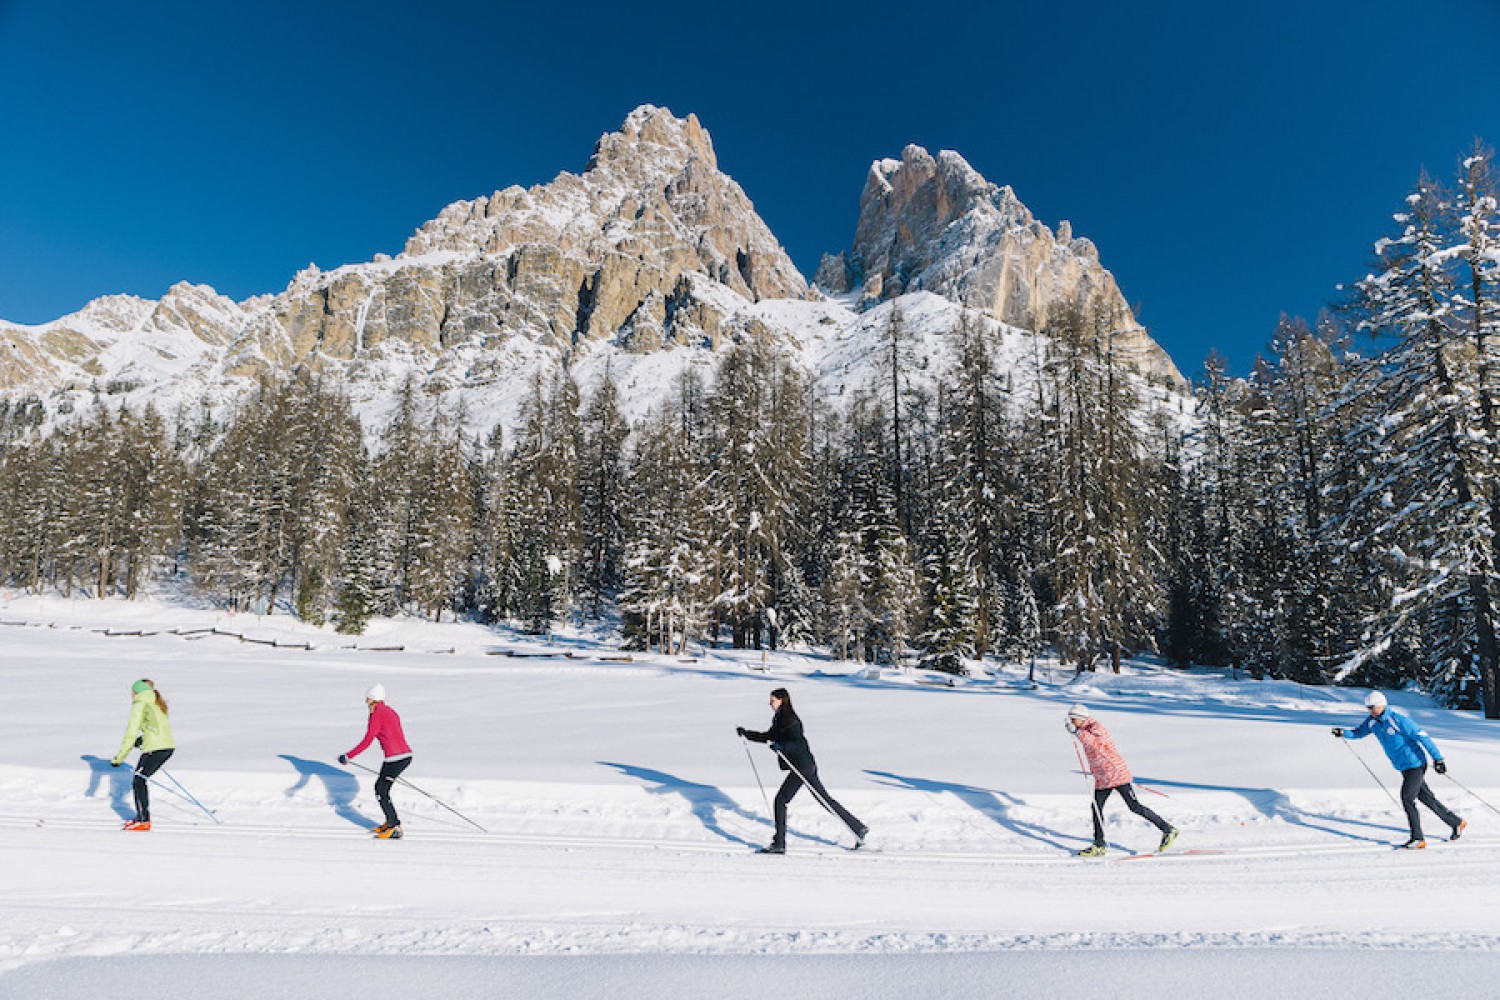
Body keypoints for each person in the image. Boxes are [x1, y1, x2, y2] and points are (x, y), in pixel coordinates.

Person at [737, 687, 868, 854]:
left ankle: (779, 843)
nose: (770, 703)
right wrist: (747, 734)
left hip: (801, 766)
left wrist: (782, 746)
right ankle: (858, 828)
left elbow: (798, 743)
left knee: (781, 800)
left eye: (773, 700)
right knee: (824, 800)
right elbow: (769, 736)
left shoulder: (790, 719)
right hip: (805, 765)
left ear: (782, 700)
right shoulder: (780, 718)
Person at [1333, 690, 1465, 849]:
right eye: (1368, 707)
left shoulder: (1398, 720)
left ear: (1382, 705)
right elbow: (1358, 733)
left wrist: (1438, 759)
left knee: (1407, 798)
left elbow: (1422, 736)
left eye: (1372, 707)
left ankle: (1418, 838)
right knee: (1426, 798)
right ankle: (1456, 822)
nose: (1370, 710)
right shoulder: (1372, 722)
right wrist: (1343, 733)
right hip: (1403, 766)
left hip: (1415, 764)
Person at [1067, 704, 1177, 857]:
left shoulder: (1096, 727)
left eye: (1073, 719)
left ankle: (1168, 829)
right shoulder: (1084, 730)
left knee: (1134, 806)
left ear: (1080, 718)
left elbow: (1096, 745)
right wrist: (1078, 732)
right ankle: (1099, 845)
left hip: (1116, 773)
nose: (1072, 722)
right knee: (1096, 808)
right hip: (1102, 777)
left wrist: (1078, 733)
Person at [339, 684, 412, 839]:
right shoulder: (390, 711)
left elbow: (367, 740)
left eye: (368, 698)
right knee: (381, 788)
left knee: (381, 790)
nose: (366, 701)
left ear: (375, 699)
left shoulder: (377, 714)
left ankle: (394, 826)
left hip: (395, 758)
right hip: (402, 756)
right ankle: (391, 822)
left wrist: (348, 756)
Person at [110, 678, 175, 831]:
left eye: (132, 692)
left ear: (136, 692)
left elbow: (130, 732)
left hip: (155, 749)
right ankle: (141, 818)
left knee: (139, 781)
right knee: (139, 780)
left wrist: (119, 759)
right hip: (165, 747)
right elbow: (155, 728)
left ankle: (144, 821)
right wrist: (143, 740)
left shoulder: (140, 703)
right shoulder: (156, 701)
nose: (131, 695)